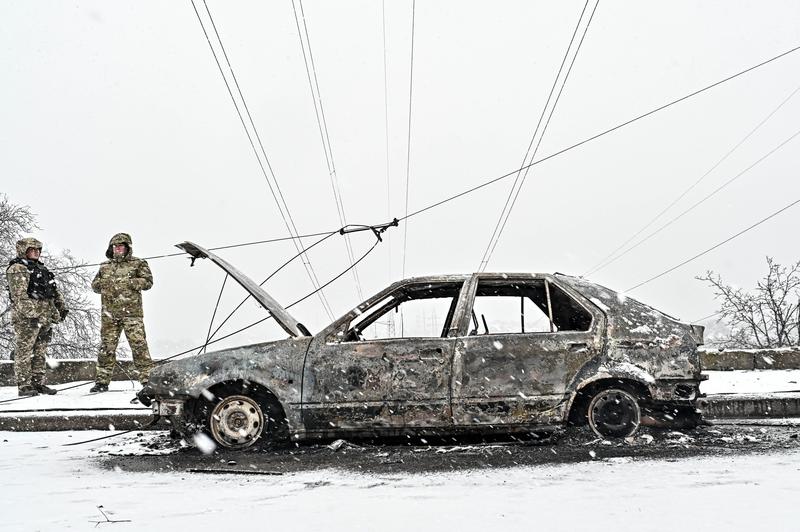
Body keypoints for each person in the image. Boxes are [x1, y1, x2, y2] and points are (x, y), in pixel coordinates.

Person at [90, 233, 153, 393]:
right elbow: (95, 285)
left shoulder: (138, 263)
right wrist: (104, 284)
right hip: (110, 315)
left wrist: (131, 282)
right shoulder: (105, 266)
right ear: (111, 248)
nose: (118, 248)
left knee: (139, 346)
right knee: (106, 348)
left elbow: (148, 282)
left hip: (132, 314)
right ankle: (102, 382)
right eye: (115, 246)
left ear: (127, 248)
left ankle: (147, 381)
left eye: (121, 246)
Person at [6, 238, 68, 396]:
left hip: (44, 317)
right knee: (24, 351)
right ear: (23, 250)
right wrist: (31, 314)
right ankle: (24, 385)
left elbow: (53, 291)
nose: (36, 252)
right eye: (31, 249)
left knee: (40, 352)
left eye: (38, 249)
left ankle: (37, 383)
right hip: (27, 319)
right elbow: (19, 296)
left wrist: (61, 308)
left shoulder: (42, 269)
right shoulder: (18, 268)